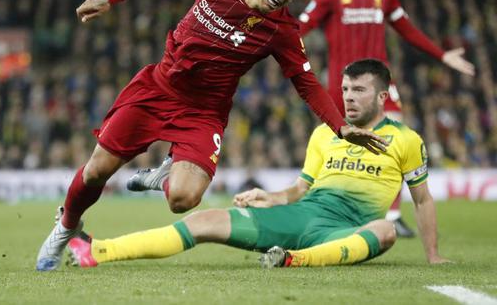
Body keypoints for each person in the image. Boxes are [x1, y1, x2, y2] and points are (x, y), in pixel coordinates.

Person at [35, 0, 388, 271]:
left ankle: (164, 176)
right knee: (97, 171)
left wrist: (340, 126)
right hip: (157, 89)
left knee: (184, 200)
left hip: (203, 113)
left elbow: (306, 82)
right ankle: (66, 229)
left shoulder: (282, 31)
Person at [67, 59, 450, 269]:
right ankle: (98, 250)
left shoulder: (406, 139)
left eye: (359, 90)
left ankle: (295, 260)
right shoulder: (324, 134)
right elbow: (301, 189)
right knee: (202, 221)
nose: (348, 97)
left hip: (347, 229)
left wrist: (432, 255)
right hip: (302, 216)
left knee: (385, 230)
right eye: (345, 89)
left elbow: (422, 200)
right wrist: (270, 197)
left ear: (382, 96)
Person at [297, 0, 475, 237]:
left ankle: (391, 214)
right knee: (334, 149)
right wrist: (270, 42)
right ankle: (326, 212)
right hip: (343, 87)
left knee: (393, 137)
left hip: (380, 84)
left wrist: (442, 55)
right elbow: (301, 26)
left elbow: (406, 29)